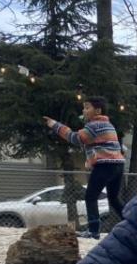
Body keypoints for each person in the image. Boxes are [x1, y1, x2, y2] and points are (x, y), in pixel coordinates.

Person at [43, 96, 125, 239]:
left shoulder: (94, 126)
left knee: (90, 196)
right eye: (84, 107)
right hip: (117, 164)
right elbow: (98, 146)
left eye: (87, 107)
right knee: (113, 198)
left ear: (97, 110)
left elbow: (75, 138)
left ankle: (93, 231)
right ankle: (130, 223)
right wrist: (91, 161)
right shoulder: (108, 124)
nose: (84, 110)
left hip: (105, 165)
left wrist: (55, 125)